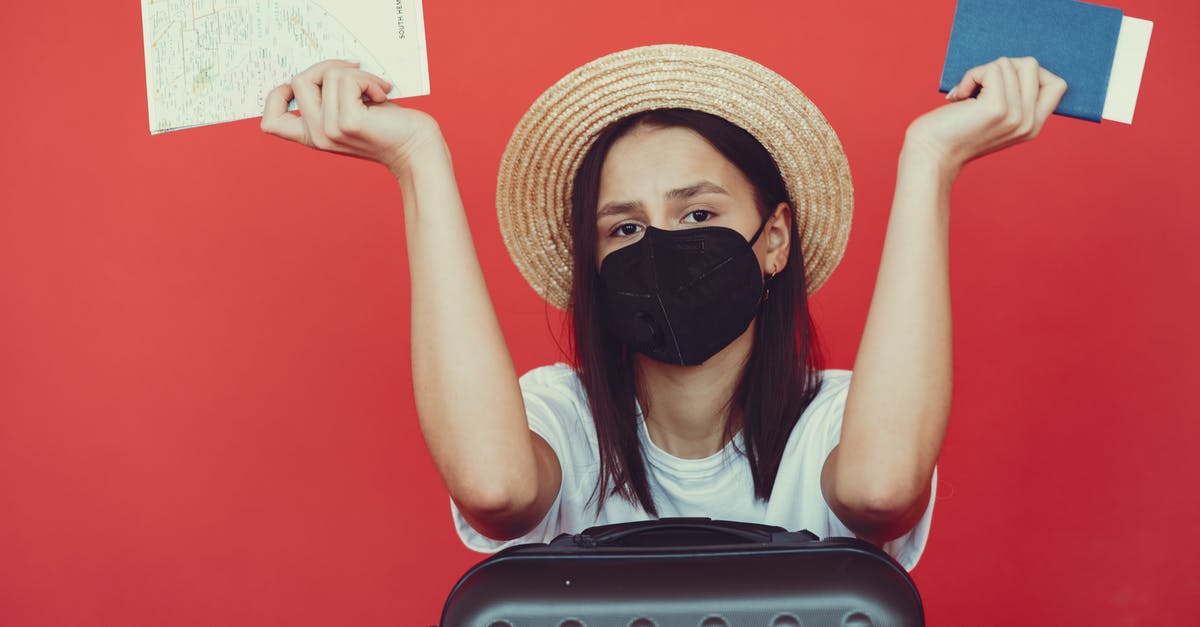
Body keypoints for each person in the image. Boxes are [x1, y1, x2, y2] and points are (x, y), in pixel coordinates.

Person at [260, 45, 1066, 571]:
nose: (661, 244)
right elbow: (495, 489)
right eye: (627, 226)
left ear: (774, 237)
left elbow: (883, 488)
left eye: (699, 214)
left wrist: (931, 162)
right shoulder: (560, 417)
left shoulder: (840, 421)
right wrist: (415, 159)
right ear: (593, 260)